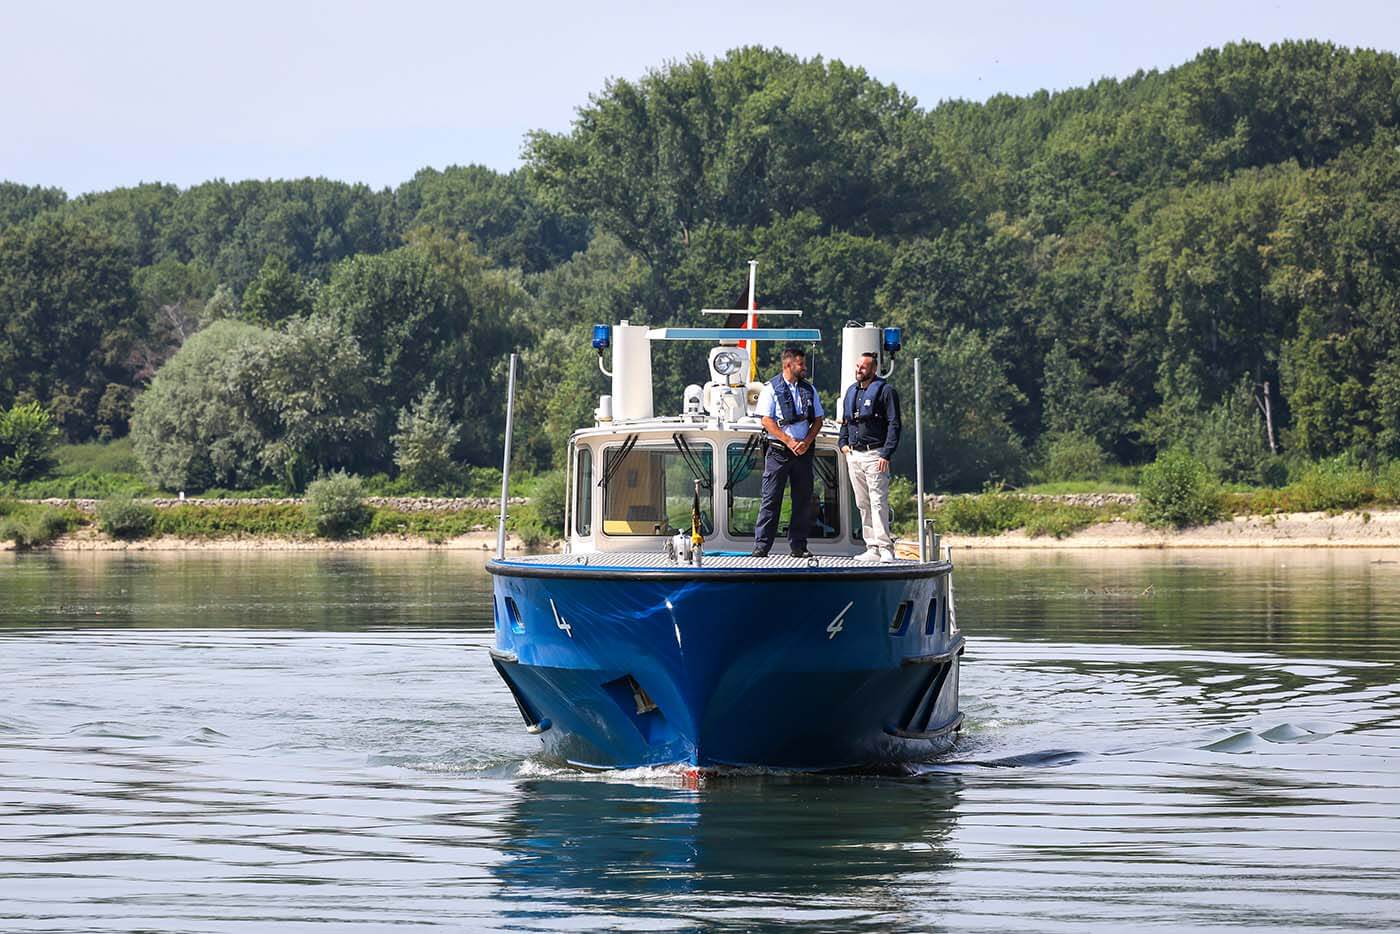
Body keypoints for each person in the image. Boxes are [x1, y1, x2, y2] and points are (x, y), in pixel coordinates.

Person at [753, 346, 824, 558]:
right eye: (800, 364)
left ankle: (798, 546)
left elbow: (818, 420)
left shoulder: (809, 390)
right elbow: (766, 420)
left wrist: (806, 441)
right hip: (778, 452)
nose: (804, 368)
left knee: (803, 500)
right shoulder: (771, 389)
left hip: (803, 453)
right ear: (788, 365)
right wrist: (789, 441)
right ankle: (761, 547)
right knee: (771, 499)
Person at [839, 351, 901, 562]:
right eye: (857, 366)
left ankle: (886, 548)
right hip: (854, 454)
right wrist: (843, 444)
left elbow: (894, 423)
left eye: (863, 367)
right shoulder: (851, 392)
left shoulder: (886, 391)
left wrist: (887, 453)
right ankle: (872, 546)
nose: (859, 370)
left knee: (878, 501)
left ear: (873, 369)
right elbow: (846, 422)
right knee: (862, 503)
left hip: (876, 454)